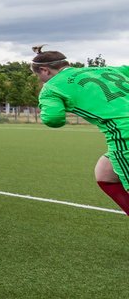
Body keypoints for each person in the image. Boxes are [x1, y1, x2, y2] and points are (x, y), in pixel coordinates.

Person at [33, 45, 129, 217]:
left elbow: (54, 119)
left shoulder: (52, 87)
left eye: (39, 77)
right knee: (105, 173)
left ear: (44, 70)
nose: (41, 81)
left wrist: (46, 106)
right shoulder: (104, 70)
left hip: (125, 135)